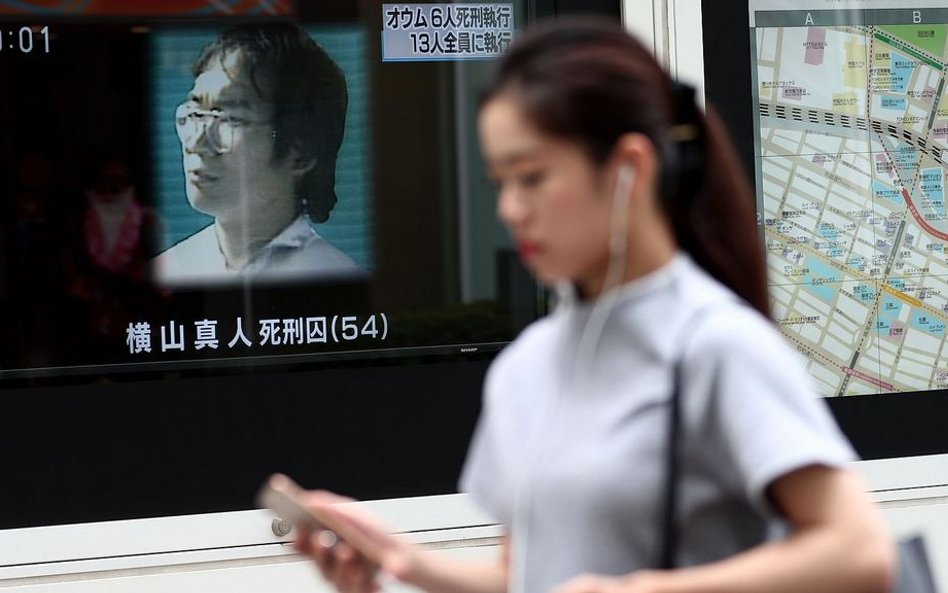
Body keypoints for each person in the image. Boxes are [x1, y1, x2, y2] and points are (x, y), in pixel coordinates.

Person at [293, 19, 896, 593]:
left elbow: (859, 551)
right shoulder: (525, 366)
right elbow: (526, 574)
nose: (510, 209)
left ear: (629, 169)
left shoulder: (713, 344)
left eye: (531, 177)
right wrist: (401, 560)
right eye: (499, 181)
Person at [153, 23, 363, 286]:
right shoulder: (165, 272)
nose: (196, 141)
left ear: (301, 154)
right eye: (194, 114)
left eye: (231, 119)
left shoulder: (340, 283)